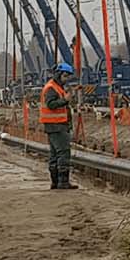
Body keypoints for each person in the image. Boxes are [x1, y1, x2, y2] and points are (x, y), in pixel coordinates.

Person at [40, 61, 77, 190]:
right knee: (63, 153)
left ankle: (56, 182)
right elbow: (51, 104)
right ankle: (63, 182)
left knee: (55, 155)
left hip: (55, 125)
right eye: (65, 76)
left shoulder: (56, 87)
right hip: (57, 125)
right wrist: (65, 100)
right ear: (58, 74)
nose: (67, 79)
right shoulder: (52, 88)